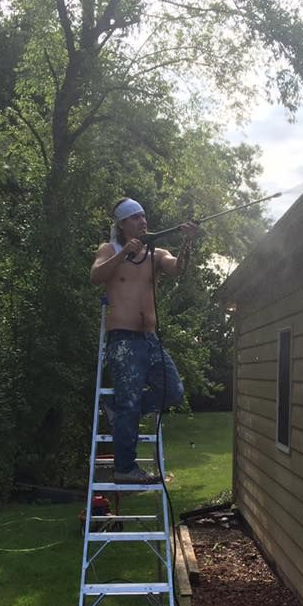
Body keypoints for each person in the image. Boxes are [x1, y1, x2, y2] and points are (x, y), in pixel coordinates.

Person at [90, 197, 198, 483]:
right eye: (136, 217)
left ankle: (119, 409)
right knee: (129, 402)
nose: (143, 221)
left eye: (144, 216)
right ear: (122, 224)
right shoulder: (109, 249)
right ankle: (125, 468)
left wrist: (187, 242)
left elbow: (178, 270)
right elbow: (96, 276)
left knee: (173, 391)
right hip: (122, 340)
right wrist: (124, 252)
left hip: (150, 339)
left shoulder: (156, 252)